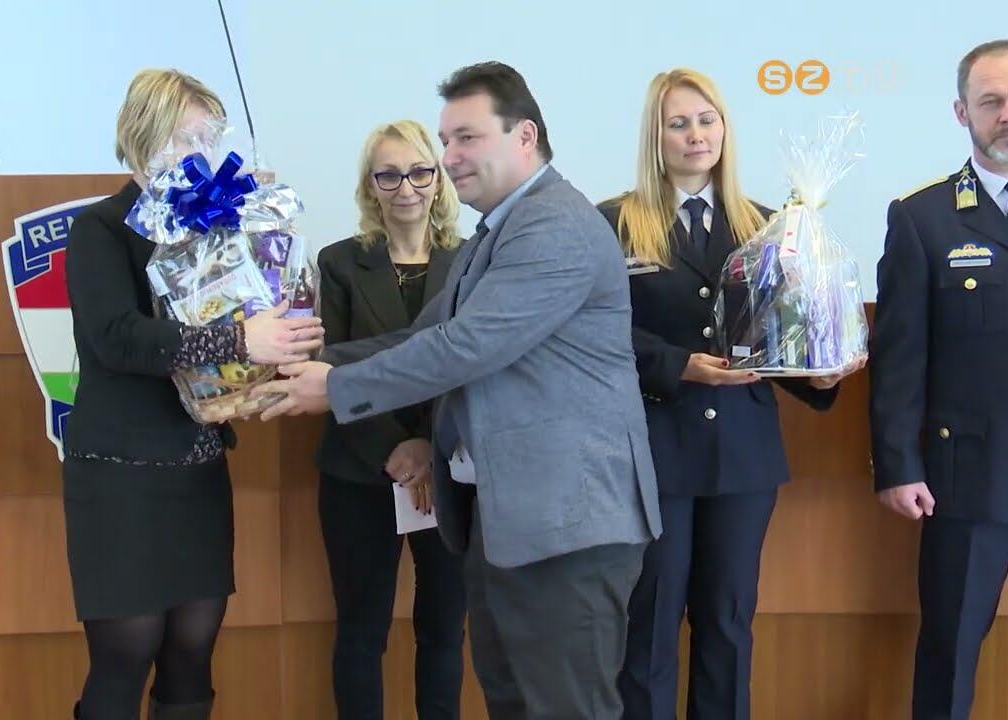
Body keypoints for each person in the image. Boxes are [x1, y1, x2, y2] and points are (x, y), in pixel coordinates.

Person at [256, 61, 662, 720]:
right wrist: (296, 364)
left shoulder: (554, 226)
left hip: (568, 530)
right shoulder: (496, 232)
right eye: (446, 140)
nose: (448, 158)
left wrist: (337, 388)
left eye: (466, 138)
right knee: (514, 702)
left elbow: (467, 348)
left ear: (525, 136)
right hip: (508, 524)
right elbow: (424, 334)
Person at [61, 68, 323, 720]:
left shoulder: (220, 230)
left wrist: (281, 342)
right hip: (120, 474)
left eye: (210, 136)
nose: (202, 150)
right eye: (187, 136)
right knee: (126, 651)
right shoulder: (102, 228)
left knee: (191, 650)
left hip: (195, 463)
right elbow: (117, 339)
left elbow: (246, 329)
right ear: (144, 135)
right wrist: (242, 340)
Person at [598, 68, 856, 720]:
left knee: (728, 622)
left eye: (707, 120)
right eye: (679, 123)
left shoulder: (771, 226)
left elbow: (777, 335)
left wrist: (816, 373)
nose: (696, 135)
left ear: (724, 129)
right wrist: (675, 365)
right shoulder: (614, 224)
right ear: (655, 136)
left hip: (741, 454)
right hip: (654, 451)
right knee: (650, 624)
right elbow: (591, 332)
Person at [870, 39, 1008, 720]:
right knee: (951, 649)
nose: (1007, 114)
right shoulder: (922, 218)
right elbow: (900, 357)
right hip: (970, 475)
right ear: (963, 113)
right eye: (992, 102)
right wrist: (898, 464)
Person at [314, 119, 466, 720]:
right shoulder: (339, 263)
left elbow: (474, 362)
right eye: (389, 175)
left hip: (448, 468)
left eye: (419, 172)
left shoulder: (471, 262)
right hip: (358, 470)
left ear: (438, 179)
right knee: (361, 631)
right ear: (369, 186)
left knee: (444, 628)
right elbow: (329, 365)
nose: (406, 188)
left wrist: (427, 443)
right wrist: (393, 449)